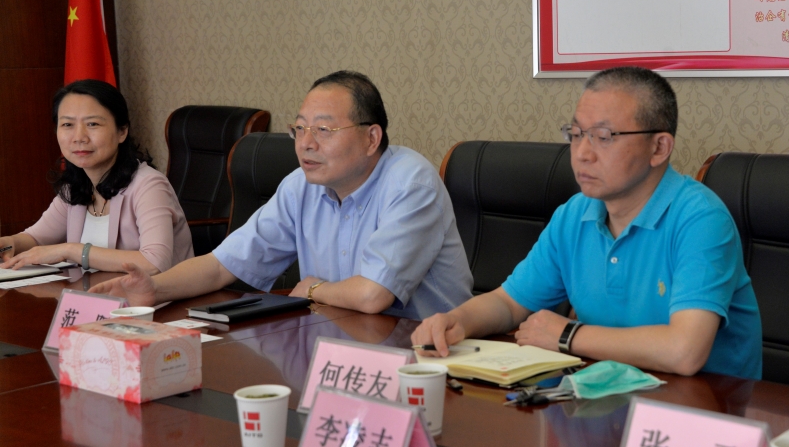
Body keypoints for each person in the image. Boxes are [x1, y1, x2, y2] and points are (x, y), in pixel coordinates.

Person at [412, 66, 762, 379]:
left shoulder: (700, 219)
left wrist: (567, 335)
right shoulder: (575, 214)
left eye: (604, 136)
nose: (582, 153)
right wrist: (456, 321)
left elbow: (685, 351)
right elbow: (509, 303)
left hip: (705, 407)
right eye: (576, 133)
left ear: (659, 148)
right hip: (609, 397)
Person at [90, 71, 473, 319]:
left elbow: (373, 295)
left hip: (430, 355)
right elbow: (223, 265)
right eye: (299, 129)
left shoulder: (410, 185)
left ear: (372, 138)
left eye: (323, 130)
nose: (305, 144)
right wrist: (155, 288)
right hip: (340, 342)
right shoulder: (301, 186)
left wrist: (315, 289)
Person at [0, 80, 193, 274]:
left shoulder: (149, 185)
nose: (79, 137)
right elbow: (36, 238)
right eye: (67, 124)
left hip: (158, 294)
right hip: (93, 291)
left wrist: (69, 250)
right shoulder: (76, 186)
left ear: (122, 131)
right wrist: (8, 243)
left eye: (92, 124)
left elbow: (154, 263)